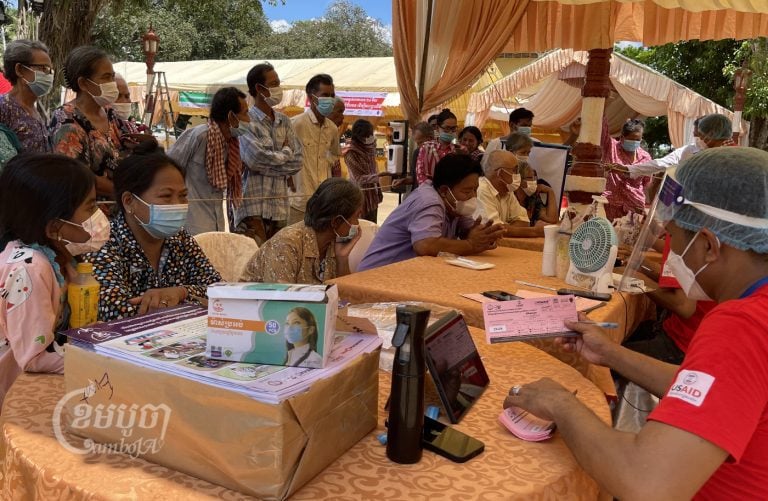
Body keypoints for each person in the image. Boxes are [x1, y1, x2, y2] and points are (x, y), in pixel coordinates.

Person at [504, 147, 768, 499]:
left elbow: (646, 484)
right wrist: (613, 354)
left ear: (709, 245)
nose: (673, 253)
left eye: (676, 239)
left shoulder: (741, 324)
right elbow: (723, 392)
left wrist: (560, 403)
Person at [0, 153, 107, 407]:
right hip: (13, 392)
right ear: (54, 227)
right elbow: (35, 356)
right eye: (90, 207)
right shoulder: (29, 268)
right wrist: (101, 357)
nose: (99, 215)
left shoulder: (57, 258)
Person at [83, 144, 222, 321]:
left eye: (183, 195)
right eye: (166, 196)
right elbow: (114, 310)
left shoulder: (180, 239)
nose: (177, 204)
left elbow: (219, 290)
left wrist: (181, 293)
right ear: (129, 202)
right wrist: (187, 302)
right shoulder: (103, 244)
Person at [358, 154, 504, 271]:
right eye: (467, 191)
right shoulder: (429, 201)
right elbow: (426, 245)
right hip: (379, 275)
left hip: (409, 273)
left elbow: (469, 231)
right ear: (444, 190)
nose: (473, 196)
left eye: (475, 190)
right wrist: (471, 245)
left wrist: (482, 235)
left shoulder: (454, 204)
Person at [241, 178, 362, 284]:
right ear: (336, 221)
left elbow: (345, 295)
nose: (358, 224)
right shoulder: (287, 244)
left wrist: (342, 259)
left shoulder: (331, 242)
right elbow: (280, 303)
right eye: (356, 217)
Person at [236, 63, 303, 244]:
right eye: (274, 84)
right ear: (258, 88)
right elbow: (256, 159)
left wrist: (269, 163)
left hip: (280, 209)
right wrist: (286, 152)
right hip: (252, 209)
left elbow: (297, 162)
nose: (278, 88)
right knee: (252, 263)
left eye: (278, 83)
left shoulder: (285, 121)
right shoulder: (246, 121)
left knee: (274, 265)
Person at [168, 87, 249, 235]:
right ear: (231, 116)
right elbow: (169, 169)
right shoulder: (200, 136)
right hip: (190, 223)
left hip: (215, 222)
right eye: (245, 113)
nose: (249, 120)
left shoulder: (232, 144)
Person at [50, 46, 122, 199]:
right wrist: (126, 193)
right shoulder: (67, 120)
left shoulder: (110, 113)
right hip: (90, 213)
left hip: (123, 206)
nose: (112, 83)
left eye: (113, 76)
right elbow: (77, 178)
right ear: (83, 83)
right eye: (106, 77)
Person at [290, 74, 341, 225]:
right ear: (312, 98)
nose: (330, 99)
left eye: (332, 95)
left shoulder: (332, 128)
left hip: (323, 203)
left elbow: (334, 156)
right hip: (298, 203)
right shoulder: (295, 125)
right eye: (325, 95)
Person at [623, 114, 733, 179]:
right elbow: (661, 163)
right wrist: (628, 169)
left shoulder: (731, 157)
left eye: (701, 136)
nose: (700, 140)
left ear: (713, 133)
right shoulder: (691, 150)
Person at [0, 40, 52, 155]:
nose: (49, 76)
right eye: (43, 68)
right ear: (20, 70)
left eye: (49, 70)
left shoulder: (33, 109)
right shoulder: (4, 107)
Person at [476, 150, 543, 237]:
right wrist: (535, 231)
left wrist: (506, 228)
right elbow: (494, 229)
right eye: (514, 170)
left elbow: (524, 221)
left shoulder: (507, 191)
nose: (517, 175)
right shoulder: (481, 190)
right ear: (500, 173)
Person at [600, 118, 653, 221]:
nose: (634, 142)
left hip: (634, 206)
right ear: (622, 137)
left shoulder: (645, 158)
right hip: (611, 205)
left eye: (637, 140)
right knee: (609, 234)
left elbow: (647, 182)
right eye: (631, 139)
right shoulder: (611, 147)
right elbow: (602, 131)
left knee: (630, 235)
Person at [344, 119, 386, 222]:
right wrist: (378, 177)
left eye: (371, 134)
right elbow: (358, 179)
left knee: (371, 228)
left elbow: (373, 170)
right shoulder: (351, 153)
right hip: (359, 199)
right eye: (367, 135)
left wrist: (379, 191)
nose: (370, 137)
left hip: (372, 199)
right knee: (361, 229)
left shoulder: (369, 150)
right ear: (359, 136)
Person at [415, 108, 458, 185]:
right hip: (428, 193)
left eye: (453, 128)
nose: (451, 132)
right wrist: (430, 191)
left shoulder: (457, 150)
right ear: (438, 128)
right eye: (447, 128)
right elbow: (420, 173)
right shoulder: (426, 147)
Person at [516, 162, 559, 226]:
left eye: (534, 178)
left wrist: (550, 191)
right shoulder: (511, 197)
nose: (534, 181)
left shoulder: (533, 197)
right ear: (519, 180)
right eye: (530, 178)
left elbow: (552, 219)